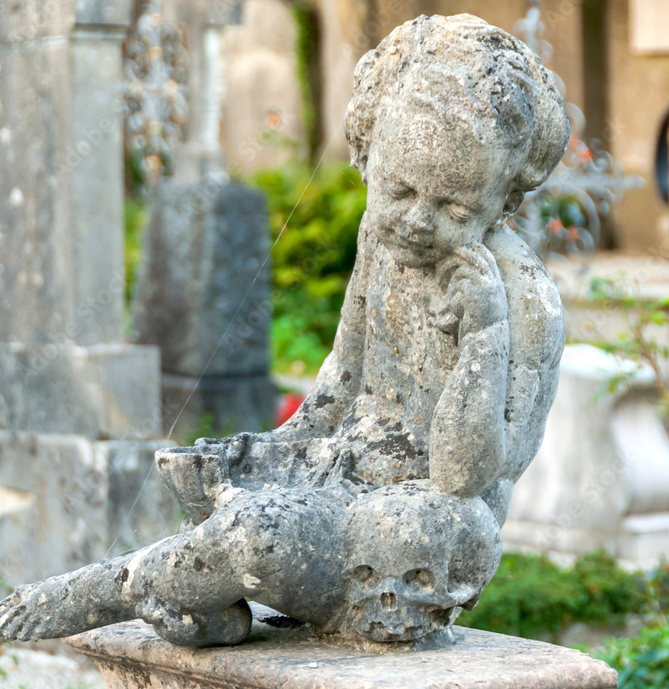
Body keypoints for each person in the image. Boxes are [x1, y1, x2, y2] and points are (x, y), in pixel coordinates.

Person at [0, 14, 569, 648]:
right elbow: (342, 380)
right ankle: (204, 589)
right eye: (399, 190)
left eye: (454, 208)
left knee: (291, 532)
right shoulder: (380, 240)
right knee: (227, 480)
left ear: (504, 201)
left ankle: (113, 589)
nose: (416, 220)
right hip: (341, 478)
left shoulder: (524, 301)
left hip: (416, 527)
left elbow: (465, 478)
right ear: (368, 153)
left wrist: (485, 333)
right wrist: (273, 448)